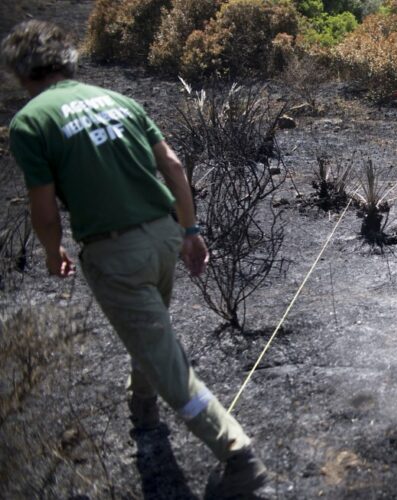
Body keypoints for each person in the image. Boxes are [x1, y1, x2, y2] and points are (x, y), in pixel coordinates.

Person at [2, 20, 268, 499]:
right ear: (67, 58)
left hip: (114, 252)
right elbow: (172, 165)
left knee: (167, 361)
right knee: (152, 330)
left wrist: (50, 250)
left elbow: (43, 209)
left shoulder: (30, 123)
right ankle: (143, 409)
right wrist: (190, 230)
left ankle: (239, 457)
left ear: (22, 72)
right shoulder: (119, 102)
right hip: (165, 236)